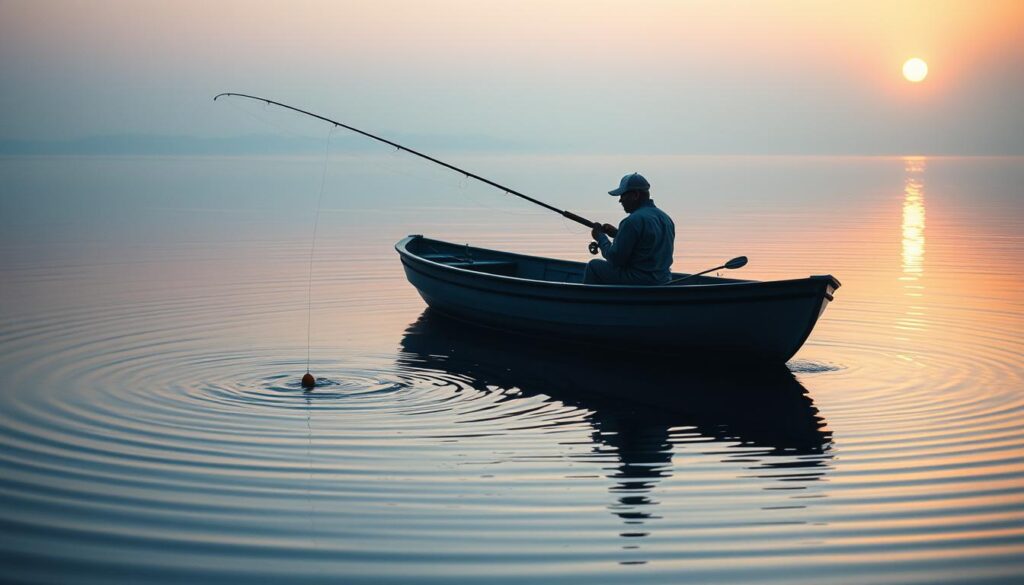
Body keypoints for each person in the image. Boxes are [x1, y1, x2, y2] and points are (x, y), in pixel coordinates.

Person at [584, 172, 675, 285]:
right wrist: (618, 234)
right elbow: (645, 244)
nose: (620, 200)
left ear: (635, 195)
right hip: (663, 280)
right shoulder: (666, 219)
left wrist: (600, 237)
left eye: (623, 195)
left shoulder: (632, 221)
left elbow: (614, 259)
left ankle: (591, 301)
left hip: (640, 281)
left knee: (593, 266)